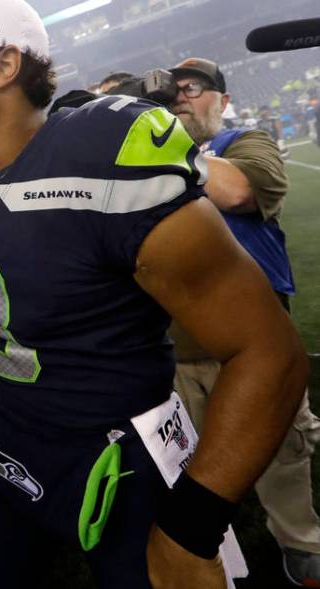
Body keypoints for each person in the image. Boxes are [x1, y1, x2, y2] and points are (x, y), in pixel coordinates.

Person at [0, 0, 308, 588]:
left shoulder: (102, 157)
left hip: (118, 448)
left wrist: (192, 523)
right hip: (8, 428)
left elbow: (269, 351)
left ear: (4, 65)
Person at [167, 56, 320, 586]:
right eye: (174, 89)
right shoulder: (145, 156)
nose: (182, 95)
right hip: (175, 345)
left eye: (196, 87)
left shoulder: (243, 143)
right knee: (191, 460)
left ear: (223, 100)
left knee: (280, 449)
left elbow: (240, 192)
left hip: (255, 342)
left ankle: (299, 540)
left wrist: (158, 153)